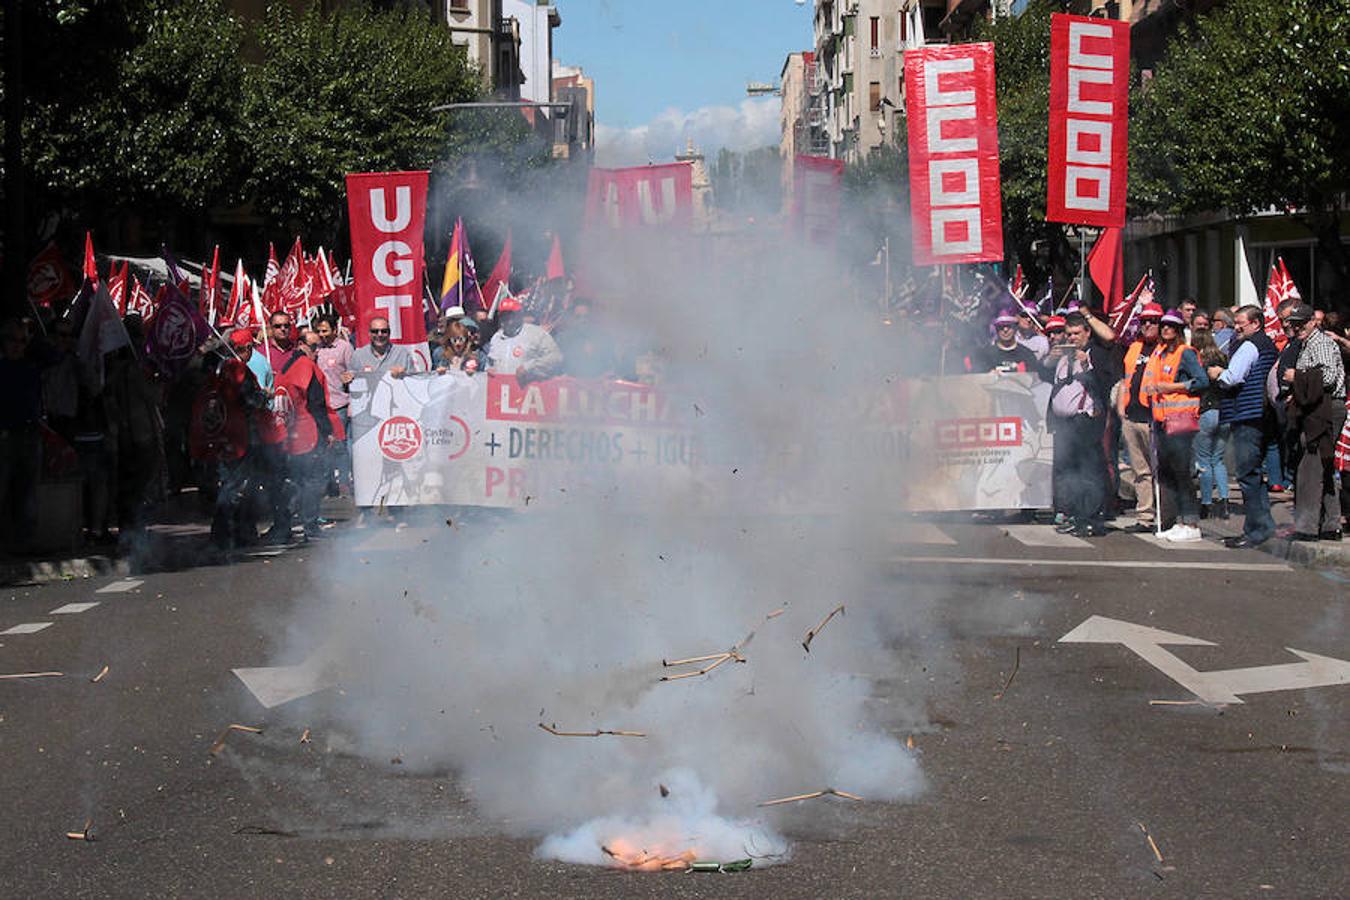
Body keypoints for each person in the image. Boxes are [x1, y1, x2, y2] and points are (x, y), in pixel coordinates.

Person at [1208, 304, 1279, 548]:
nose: (1236, 327)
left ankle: (1256, 530)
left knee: (1247, 474)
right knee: (1254, 474)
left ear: (1256, 324)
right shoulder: (1266, 344)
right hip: (1258, 414)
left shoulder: (1250, 345)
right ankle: (1262, 526)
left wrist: (1217, 373)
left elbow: (1233, 377)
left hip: (1248, 414)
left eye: (1241, 323)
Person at [1143, 310, 1209, 542]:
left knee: (1182, 472)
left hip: (1181, 422)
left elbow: (1202, 381)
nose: (1166, 329)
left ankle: (1191, 522)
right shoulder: (1161, 354)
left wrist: (1170, 388)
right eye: (1164, 326)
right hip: (1163, 421)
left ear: (1179, 330)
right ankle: (1179, 521)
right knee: (1169, 473)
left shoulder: (1186, 353)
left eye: (1171, 326)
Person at [1283, 303, 1346, 541]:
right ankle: (1331, 524)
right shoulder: (1306, 343)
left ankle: (1307, 526)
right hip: (1317, 406)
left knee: (1310, 466)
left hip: (1325, 408)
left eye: (1300, 323)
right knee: (1324, 465)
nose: (1296, 328)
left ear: (1311, 322)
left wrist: (1296, 376)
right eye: (1293, 324)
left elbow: (1328, 377)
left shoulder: (1320, 343)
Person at [1047, 314, 1112, 537]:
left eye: (1077, 334)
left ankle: (1092, 518)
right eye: (1069, 334)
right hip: (1063, 424)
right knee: (1068, 471)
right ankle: (1074, 514)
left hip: (1085, 421)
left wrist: (1086, 364)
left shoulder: (1096, 355)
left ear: (1087, 333)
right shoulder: (1063, 356)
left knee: (1089, 471)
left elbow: (1104, 386)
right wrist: (1050, 359)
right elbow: (1043, 375)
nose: (1072, 338)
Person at [1115, 303, 1164, 532]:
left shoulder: (1167, 349)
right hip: (1132, 417)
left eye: (1152, 321)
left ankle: (1165, 516)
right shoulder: (1134, 348)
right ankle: (1145, 516)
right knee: (1140, 472)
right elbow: (1125, 380)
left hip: (1156, 418)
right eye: (1144, 321)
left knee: (1161, 471)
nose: (1147, 325)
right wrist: (1120, 409)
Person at [0, 318, 43, 553]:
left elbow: (53, 356)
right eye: (12, 340)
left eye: (22, 341)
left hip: (29, 434)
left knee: (28, 490)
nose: (17, 345)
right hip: (6, 436)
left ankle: (26, 541)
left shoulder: (30, 368)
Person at [1191, 330, 1230, 519]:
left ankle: (1206, 502)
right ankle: (1224, 500)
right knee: (1218, 460)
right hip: (1224, 412)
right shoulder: (1223, 359)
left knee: (1204, 460)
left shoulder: (1198, 362)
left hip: (1206, 411)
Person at [314, 314, 353, 494]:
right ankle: (329, 483)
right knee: (324, 446)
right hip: (321, 406)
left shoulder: (344, 348)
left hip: (339, 404)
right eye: (319, 331)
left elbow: (353, 372)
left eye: (325, 331)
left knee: (339, 445)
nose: (322, 335)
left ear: (334, 330)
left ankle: (344, 481)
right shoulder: (316, 350)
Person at [487, 296, 563, 383]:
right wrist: (489, 369)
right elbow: (489, 363)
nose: (508, 320)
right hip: (502, 391)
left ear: (519, 315)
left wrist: (529, 367)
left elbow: (556, 357)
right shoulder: (496, 338)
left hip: (528, 390)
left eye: (511, 315)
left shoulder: (536, 333)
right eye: (504, 316)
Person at [346, 316, 413, 384]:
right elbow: (350, 382)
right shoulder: (358, 355)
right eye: (375, 331)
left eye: (384, 331)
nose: (379, 334)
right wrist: (346, 379)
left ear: (389, 333)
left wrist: (404, 375)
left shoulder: (402, 353)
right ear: (369, 333)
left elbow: (413, 382)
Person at [975, 312, 1041, 374]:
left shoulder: (1027, 354)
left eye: (1009, 326)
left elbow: (1033, 380)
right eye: (1001, 327)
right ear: (996, 329)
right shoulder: (986, 355)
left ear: (1015, 328)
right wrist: (988, 375)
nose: (1005, 330)